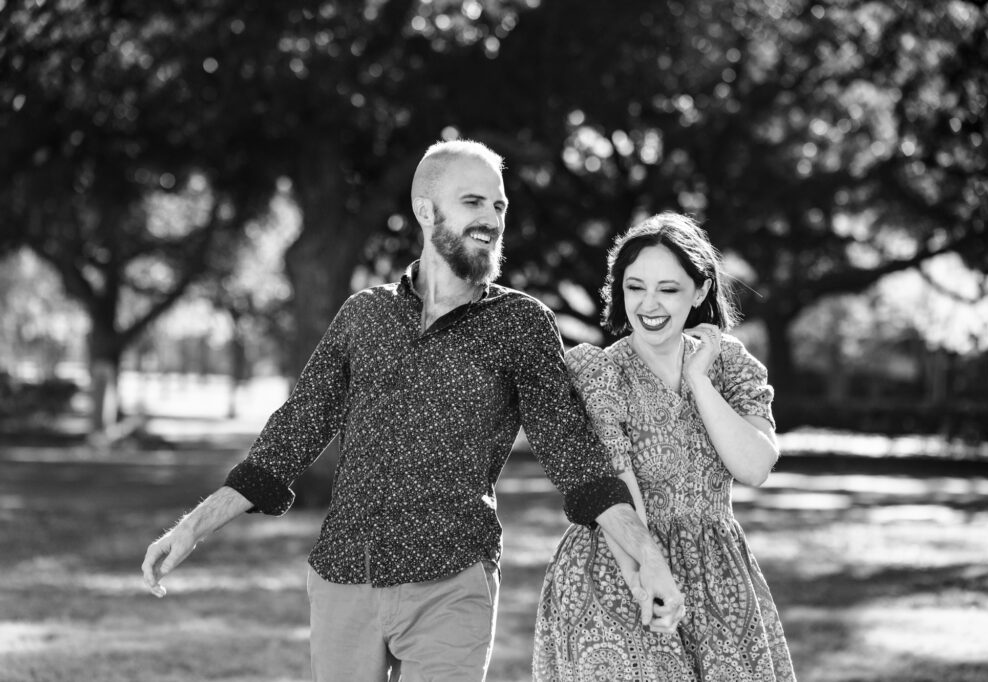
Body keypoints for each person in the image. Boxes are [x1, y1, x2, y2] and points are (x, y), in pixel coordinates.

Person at [141, 139, 684, 682]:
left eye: (499, 207)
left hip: (453, 578)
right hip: (345, 575)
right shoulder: (364, 314)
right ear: (426, 211)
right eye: (474, 202)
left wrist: (646, 555)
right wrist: (193, 527)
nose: (492, 219)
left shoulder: (521, 324)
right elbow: (295, 429)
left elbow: (575, 458)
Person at [533, 212, 796, 681]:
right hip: (617, 566)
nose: (649, 304)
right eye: (635, 287)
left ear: (699, 291)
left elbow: (754, 466)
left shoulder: (729, 363)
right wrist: (646, 578)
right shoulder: (599, 371)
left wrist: (698, 379)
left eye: (668, 289)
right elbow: (617, 481)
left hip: (718, 575)